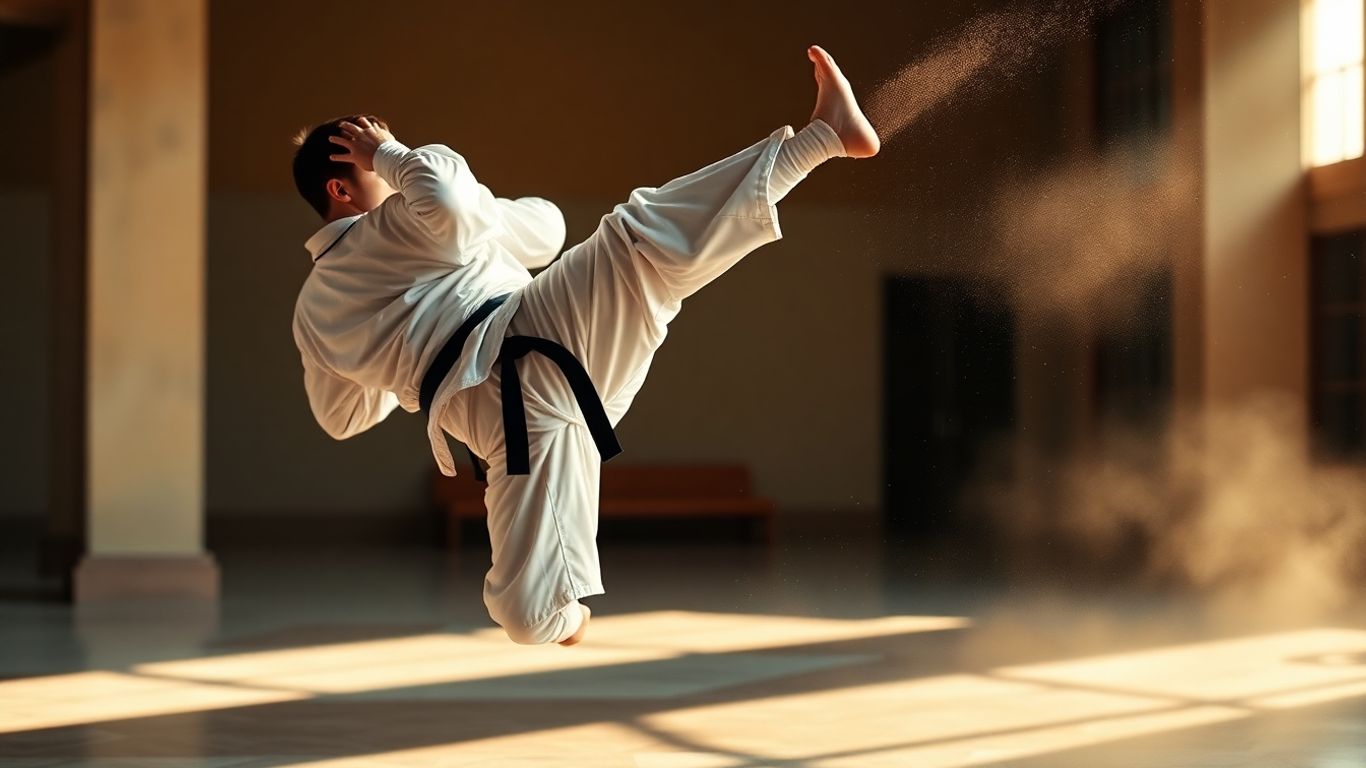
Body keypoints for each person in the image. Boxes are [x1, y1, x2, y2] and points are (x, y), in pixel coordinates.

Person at [291, 45, 879, 646]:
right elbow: (509, 217)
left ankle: (822, 136)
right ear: (342, 186)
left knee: (529, 617)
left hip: (502, 402)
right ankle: (823, 137)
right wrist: (390, 153)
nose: (390, 170)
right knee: (641, 242)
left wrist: (400, 360)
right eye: (369, 162)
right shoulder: (401, 222)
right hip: (529, 352)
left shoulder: (313, 312)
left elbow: (341, 416)